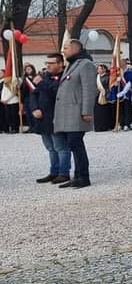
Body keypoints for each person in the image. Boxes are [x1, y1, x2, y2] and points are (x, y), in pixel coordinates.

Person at [53, 39, 98, 189]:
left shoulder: (86, 64)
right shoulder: (72, 64)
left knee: (75, 144)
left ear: (75, 49)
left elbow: (89, 90)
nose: (63, 51)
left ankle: (84, 177)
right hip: (69, 114)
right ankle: (77, 176)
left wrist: (87, 111)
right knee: (73, 144)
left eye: (65, 48)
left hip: (77, 113)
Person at [28, 53, 70, 185]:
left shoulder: (65, 76)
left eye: (51, 63)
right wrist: (34, 108)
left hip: (56, 117)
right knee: (50, 147)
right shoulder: (44, 76)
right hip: (42, 118)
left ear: (60, 64)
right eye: (47, 63)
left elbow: (55, 92)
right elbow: (33, 94)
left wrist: (41, 83)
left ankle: (64, 173)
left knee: (61, 147)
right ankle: (54, 172)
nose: (48, 66)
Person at [94, 64, 114, 132]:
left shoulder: (108, 77)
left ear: (104, 69)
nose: (99, 70)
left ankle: (105, 126)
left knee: (105, 112)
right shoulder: (97, 77)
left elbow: (109, 86)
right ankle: (98, 127)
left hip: (104, 95)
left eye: (100, 68)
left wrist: (105, 93)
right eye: (98, 68)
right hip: (97, 95)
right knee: (98, 112)